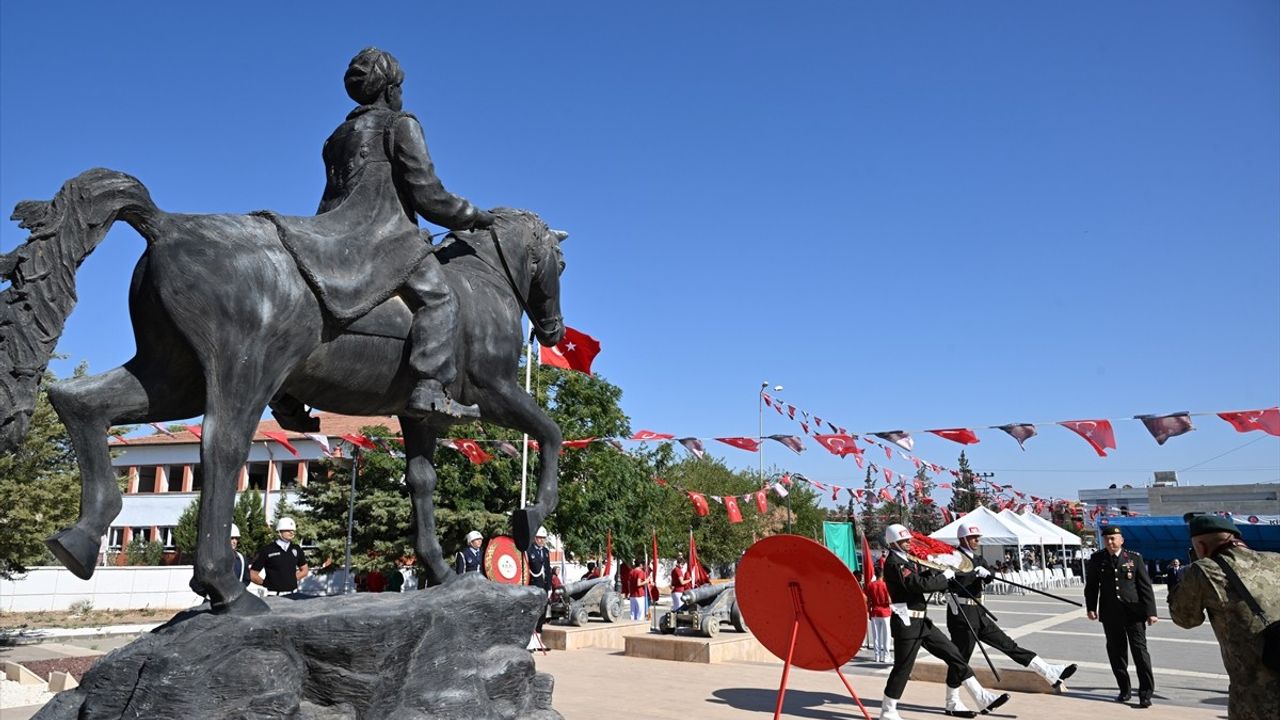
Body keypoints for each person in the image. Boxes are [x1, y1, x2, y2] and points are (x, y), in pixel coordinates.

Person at [316, 47, 495, 420]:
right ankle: (430, 388)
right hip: (382, 239)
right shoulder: (399, 124)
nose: (401, 94)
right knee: (440, 298)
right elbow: (428, 195)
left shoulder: (336, 136)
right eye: (399, 87)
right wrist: (472, 216)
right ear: (389, 89)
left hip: (330, 238)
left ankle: (285, 397)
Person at [879, 523, 1009, 720]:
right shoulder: (894, 563)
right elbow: (916, 585)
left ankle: (981, 697)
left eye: (907, 539)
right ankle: (888, 711)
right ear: (893, 543)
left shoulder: (906, 560)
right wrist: (943, 578)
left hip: (922, 623)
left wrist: (937, 572)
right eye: (902, 540)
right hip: (907, 624)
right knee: (903, 668)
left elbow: (921, 578)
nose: (907, 543)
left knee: (954, 655)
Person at [947, 524, 1077, 702]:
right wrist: (972, 575)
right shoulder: (952, 557)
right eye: (973, 537)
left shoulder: (978, 558)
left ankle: (1048, 672)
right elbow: (950, 582)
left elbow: (989, 575)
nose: (977, 540)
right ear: (963, 539)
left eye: (978, 537)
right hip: (962, 614)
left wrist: (988, 573)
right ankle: (952, 700)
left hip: (979, 612)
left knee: (1007, 644)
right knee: (961, 659)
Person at [1169, 515, 1280, 720]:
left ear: (1201, 546)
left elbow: (1185, 619)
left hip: (1254, 696)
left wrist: (1184, 581)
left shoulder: (1205, 570)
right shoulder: (1275, 559)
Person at [1085, 526, 1158, 707]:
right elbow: (1092, 586)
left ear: (1121, 540)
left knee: (1140, 653)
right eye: (1107, 539)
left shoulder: (1134, 558)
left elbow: (1145, 586)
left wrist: (1151, 612)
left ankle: (1145, 693)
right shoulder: (1097, 559)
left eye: (1113, 538)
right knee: (1117, 654)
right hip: (1111, 614)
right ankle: (1124, 689)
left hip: (1134, 613)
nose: (1110, 542)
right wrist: (1091, 607)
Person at [250, 517, 309, 595]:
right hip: (273, 595)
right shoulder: (267, 550)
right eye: (288, 530)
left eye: (293, 530)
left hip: (293, 595)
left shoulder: (297, 549)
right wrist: (266, 583)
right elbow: (253, 574)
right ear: (279, 531)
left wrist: (291, 580)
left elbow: (304, 570)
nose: (291, 532)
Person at [864, 575, 892, 664]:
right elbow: (889, 600)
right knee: (886, 635)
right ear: (882, 575)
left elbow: (868, 600)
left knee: (876, 635)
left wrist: (869, 612)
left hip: (875, 611)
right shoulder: (886, 585)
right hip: (885, 612)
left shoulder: (870, 585)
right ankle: (886, 656)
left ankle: (877, 656)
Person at [526, 527, 553, 592]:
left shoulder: (545, 551)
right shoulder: (529, 551)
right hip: (533, 586)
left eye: (544, 538)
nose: (542, 540)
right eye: (540, 538)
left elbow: (548, 569)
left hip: (545, 585)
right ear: (535, 538)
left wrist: (549, 586)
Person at [628, 557, 651, 621]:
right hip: (639, 594)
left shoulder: (631, 572)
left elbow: (629, 583)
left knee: (633, 614)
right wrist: (646, 581)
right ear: (640, 564)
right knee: (640, 614)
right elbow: (638, 583)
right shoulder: (640, 572)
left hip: (632, 595)